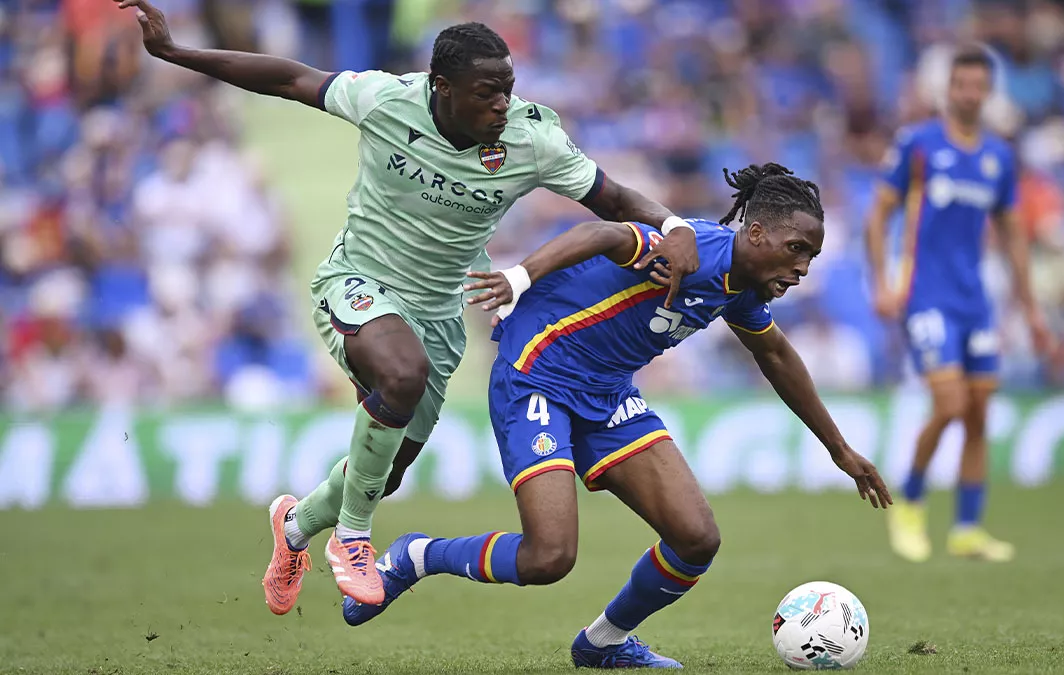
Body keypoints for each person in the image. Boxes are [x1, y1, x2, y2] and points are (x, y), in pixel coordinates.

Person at [113, 1, 702, 612]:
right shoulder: (386, 100)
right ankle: (353, 538)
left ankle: (294, 528)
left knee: (385, 470)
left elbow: (613, 197)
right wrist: (177, 52)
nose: (502, 104)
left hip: (439, 311)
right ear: (441, 88)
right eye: (487, 93)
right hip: (359, 278)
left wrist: (676, 224)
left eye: (508, 90)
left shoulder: (533, 141)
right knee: (400, 375)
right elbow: (288, 78)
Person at [343, 164, 892, 669]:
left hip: (606, 395)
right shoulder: (695, 248)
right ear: (755, 234)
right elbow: (605, 233)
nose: (800, 268)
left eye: (811, 258)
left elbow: (775, 355)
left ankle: (603, 642)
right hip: (538, 376)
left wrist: (839, 450)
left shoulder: (743, 290)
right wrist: (521, 277)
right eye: (795, 248)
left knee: (696, 538)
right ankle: (417, 556)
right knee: (548, 557)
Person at [864, 47, 1052, 563]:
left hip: (976, 302)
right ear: (948, 89)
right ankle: (911, 502)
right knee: (948, 405)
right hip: (927, 297)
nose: (970, 94)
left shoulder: (999, 157)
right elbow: (877, 216)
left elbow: (1014, 236)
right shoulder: (919, 144)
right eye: (961, 84)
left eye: (978, 86)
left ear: (989, 92)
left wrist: (1031, 309)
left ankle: (967, 528)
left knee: (978, 415)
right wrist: (882, 282)